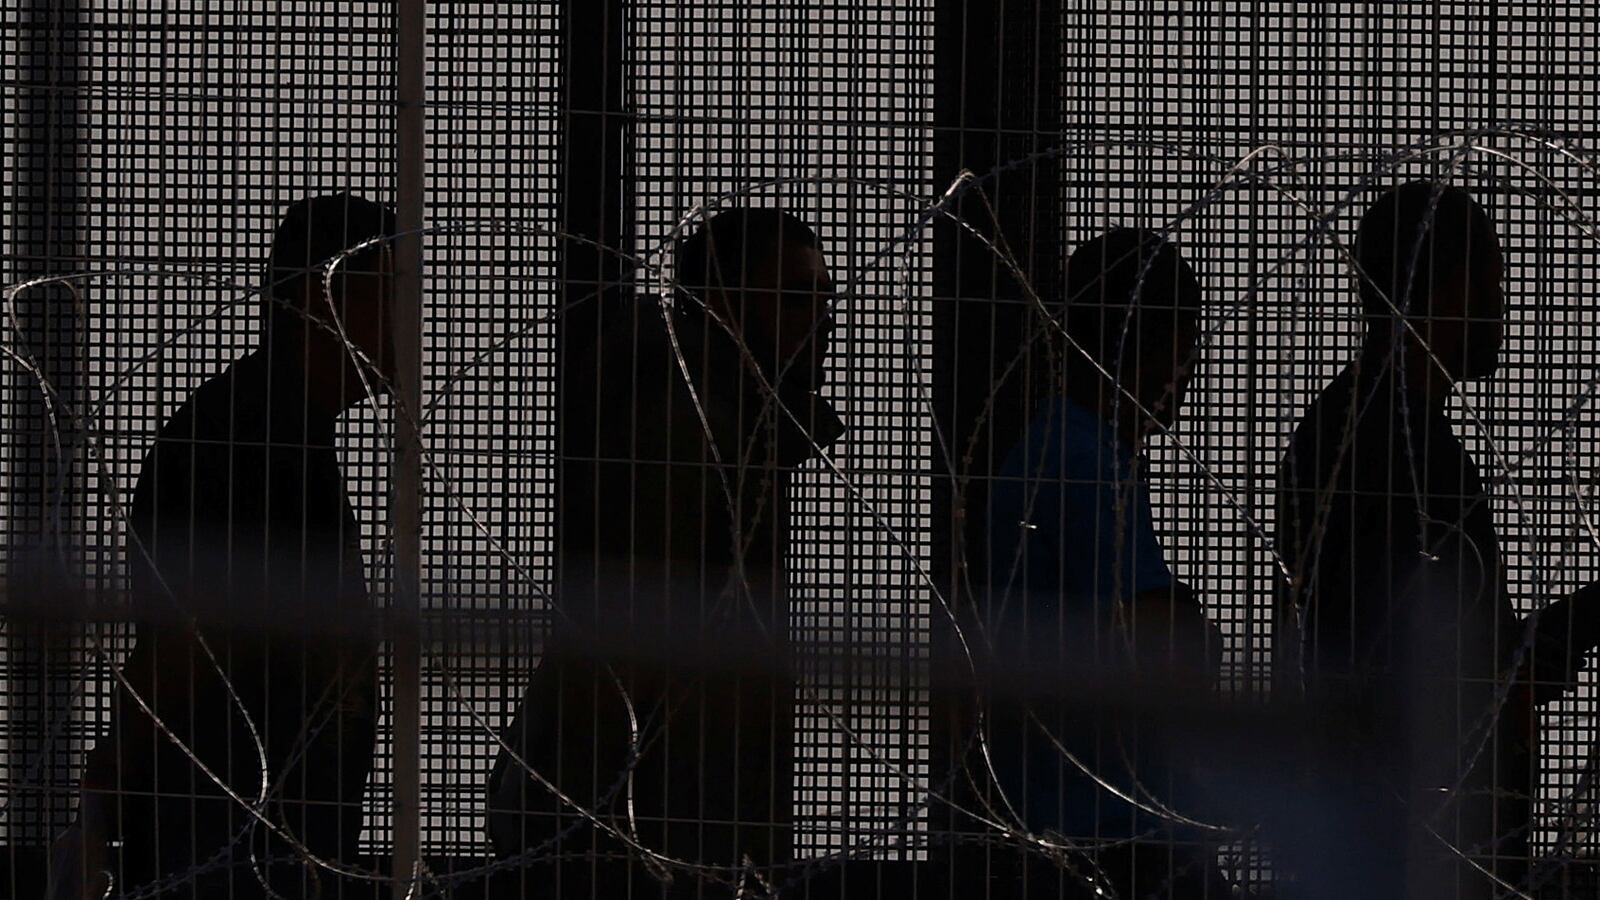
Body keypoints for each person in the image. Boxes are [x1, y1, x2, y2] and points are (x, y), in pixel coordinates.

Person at [486, 208, 845, 897]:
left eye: (827, 297)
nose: (822, 318)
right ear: (722, 303)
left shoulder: (732, 422)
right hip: (652, 827)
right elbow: (631, 647)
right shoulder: (694, 434)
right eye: (798, 295)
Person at [49, 193, 395, 900]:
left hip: (254, 829)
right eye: (393, 293)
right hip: (232, 834)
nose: (413, 323)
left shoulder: (275, 427)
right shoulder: (250, 439)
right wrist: (116, 767)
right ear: (324, 300)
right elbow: (187, 639)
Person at [1273, 181, 1600, 899]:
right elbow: (1436, 666)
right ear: (1449, 288)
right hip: (1413, 838)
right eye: (1494, 283)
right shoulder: (1393, 449)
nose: (1503, 310)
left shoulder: (1362, 429)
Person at [980, 228, 1220, 898]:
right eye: (1180, 340)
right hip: (1111, 830)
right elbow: (1157, 645)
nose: (1188, 367)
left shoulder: (1065, 447)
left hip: (1088, 816)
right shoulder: (1086, 464)